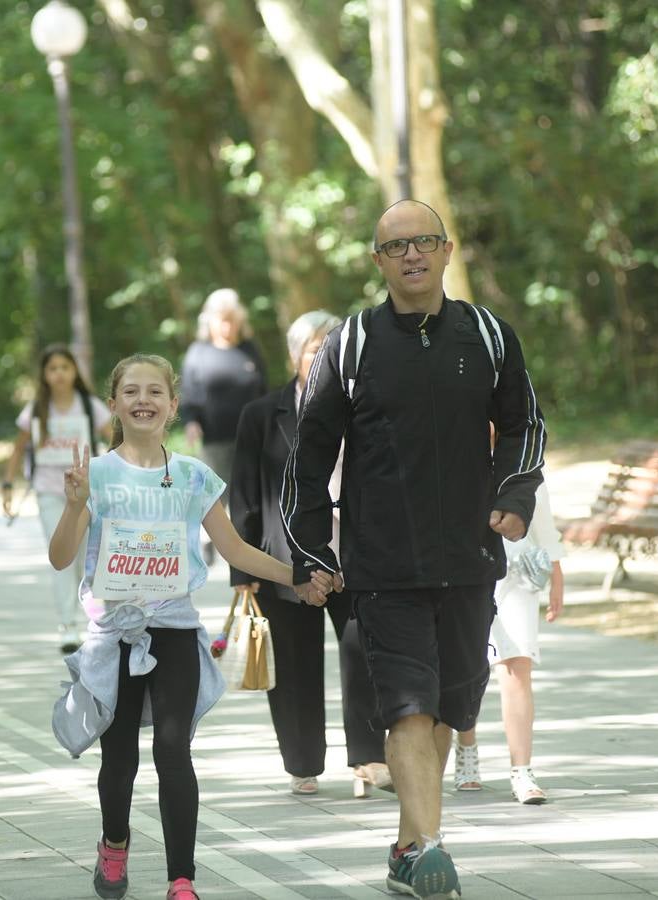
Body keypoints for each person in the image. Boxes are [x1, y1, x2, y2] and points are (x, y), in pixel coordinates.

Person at [281, 199, 546, 900]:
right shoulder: (352, 344)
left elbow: (525, 425)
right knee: (407, 707)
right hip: (382, 564)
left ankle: (405, 844)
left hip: (468, 560)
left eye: (424, 241)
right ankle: (430, 855)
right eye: (396, 246)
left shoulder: (488, 336)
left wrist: (513, 497)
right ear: (378, 261)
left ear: (447, 249)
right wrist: (312, 550)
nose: (412, 255)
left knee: (449, 710)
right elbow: (308, 454)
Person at [49, 353, 333, 900]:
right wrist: (74, 505)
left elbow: (235, 549)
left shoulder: (193, 476)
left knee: (173, 749)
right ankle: (114, 844)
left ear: (173, 406)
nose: (143, 401)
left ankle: (182, 878)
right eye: (130, 392)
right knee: (121, 756)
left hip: (174, 630)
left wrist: (294, 576)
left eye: (155, 392)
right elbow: (62, 557)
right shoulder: (98, 475)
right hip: (114, 636)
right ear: (113, 405)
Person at [229, 311, 390, 798]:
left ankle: (369, 758)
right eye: (312, 348)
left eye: (330, 349)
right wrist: (243, 568)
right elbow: (244, 495)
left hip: (355, 555)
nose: (320, 357)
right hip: (285, 558)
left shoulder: (365, 407)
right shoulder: (261, 414)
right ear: (294, 355)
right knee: (295, 665)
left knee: (363, 654)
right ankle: (302, 763)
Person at [453, 480, 564, 804]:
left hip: (518, 572)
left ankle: (522, 769)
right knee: (466, 666)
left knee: (517, 666)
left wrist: (556, 571)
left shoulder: (522, 449)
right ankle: (467, 746)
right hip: (464, 569)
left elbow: (541, 513)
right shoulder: (455, 446)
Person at [1, 344, 112, 653]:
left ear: (74, 371)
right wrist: (8, 483)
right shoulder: (38, 408)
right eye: (53, 368)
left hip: (88, 492)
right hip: (50, 490)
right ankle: (68, 625)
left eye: (65, 367)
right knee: (62, 557)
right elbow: (18, 446)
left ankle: (93, 621)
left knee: (85, 557)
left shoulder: (89, 405)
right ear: (45, 375)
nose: (59, 373)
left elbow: (113, 437)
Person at [178, 288, 267, 490]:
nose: (227, 326)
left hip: (253, 438)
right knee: (218, 497)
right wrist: (191, 422)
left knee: (253, 494)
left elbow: (263, 390)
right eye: (222, 320)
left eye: (232, 320)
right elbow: (189, 393)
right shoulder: (198, 352)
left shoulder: (249, 350)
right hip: (215, 440)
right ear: (210, 321)